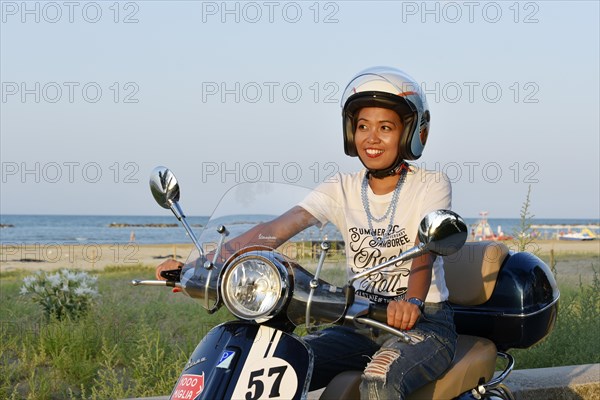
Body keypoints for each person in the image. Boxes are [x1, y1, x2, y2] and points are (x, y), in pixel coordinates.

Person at [156, 66, 456, 399]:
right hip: (359, 321)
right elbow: (274, 229)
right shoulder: (340, 187)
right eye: (362, 126)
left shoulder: (430, 184)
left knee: (380, 381)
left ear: (410, 133)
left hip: (423, 324)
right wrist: (201, 263)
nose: (372, 138)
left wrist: (411, 301)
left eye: (385, 128)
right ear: (349, 132)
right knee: (280, 363)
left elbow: (424, 253)